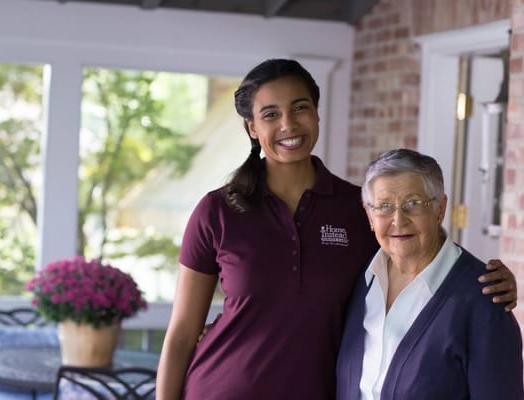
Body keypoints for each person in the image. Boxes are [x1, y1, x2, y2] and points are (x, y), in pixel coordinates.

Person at [156, 59, 518, 400]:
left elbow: (419, 249)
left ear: (316, 115)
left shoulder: (358, 209)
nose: (288, 124)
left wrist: (485, 283)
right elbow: (183, 334)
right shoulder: (217, 210)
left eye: (300, 107)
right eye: (270, 114)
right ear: (252, 128)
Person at [336, 148, 523, 400]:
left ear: (440, 208)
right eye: (384, 206)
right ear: (369, 216)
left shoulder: (484, 299)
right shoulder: (361, 280)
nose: (398, 220)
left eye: (413, 204)